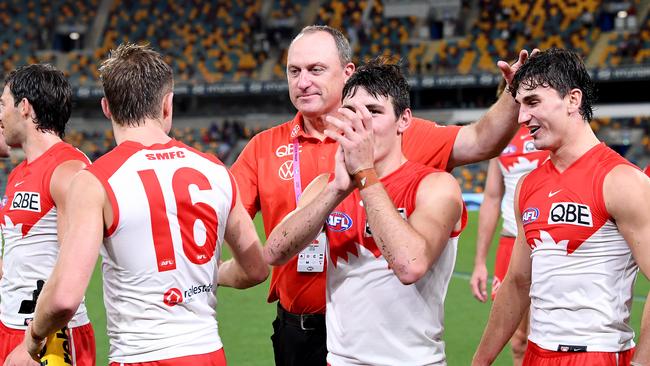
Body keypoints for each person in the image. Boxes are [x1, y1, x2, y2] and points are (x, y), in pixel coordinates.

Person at [231, 24, 535, 365]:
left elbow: (481, 139)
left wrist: (514, 93)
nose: (303, 81)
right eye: (294, 71)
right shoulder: (264, 147)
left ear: (347, 73)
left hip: (395, 344)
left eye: (316, 69)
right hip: (301, 331)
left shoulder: (402, 136)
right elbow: (244, 236)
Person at [13, 43, 269, 365]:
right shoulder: (215, 169)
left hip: (141, 354)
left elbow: (64, 298)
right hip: (207, 352)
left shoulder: (96, 181)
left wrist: (34, 338)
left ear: (107, 108)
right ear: (167, 105)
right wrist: (204, 276)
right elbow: (256, 269)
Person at [264, 59, 466, 365]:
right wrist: (336, 190)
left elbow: (410, 266)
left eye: (374, 111)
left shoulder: (436, 186)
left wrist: (365, 174)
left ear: (404, 120)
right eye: (351, 112)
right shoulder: (328, 186)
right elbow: (274, 252)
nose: (362, 123)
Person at [472, 48, 650, 365]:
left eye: (533, 102)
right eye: (520, 105)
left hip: (599, 355)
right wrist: (480, 361)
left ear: (573, 100)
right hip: (536, 356)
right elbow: (517, 283)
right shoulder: (528, 185)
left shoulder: (622, 181)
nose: (522, 117)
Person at [0, 64, 95, 366]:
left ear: (24, 107)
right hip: (10, 326)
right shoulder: (18, 174)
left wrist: (32, 346)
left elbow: (71, 279)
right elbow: (20, 256)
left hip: (51, 338)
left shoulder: (69, 170)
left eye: (2, 105)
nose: (0, 116)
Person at [469, 83, 550, 366]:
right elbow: (491, 198)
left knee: (547, 335)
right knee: (517, 340)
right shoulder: (501, 138)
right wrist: (480, 261)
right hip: (511, 241)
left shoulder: (552, 128)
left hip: (549, 242)